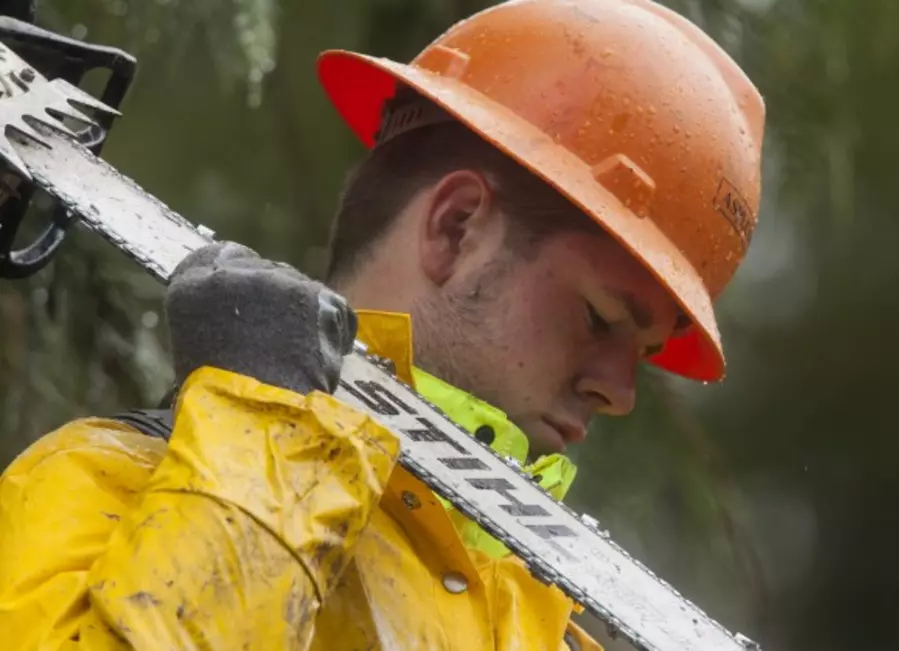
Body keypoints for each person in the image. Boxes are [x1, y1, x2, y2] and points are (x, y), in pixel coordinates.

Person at [0, 0, 765, 648]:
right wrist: (258, 453)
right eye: (599, 318)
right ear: (456, 226)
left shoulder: (545, 626)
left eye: (643, 350)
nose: (620, 392)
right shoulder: (100, 488)